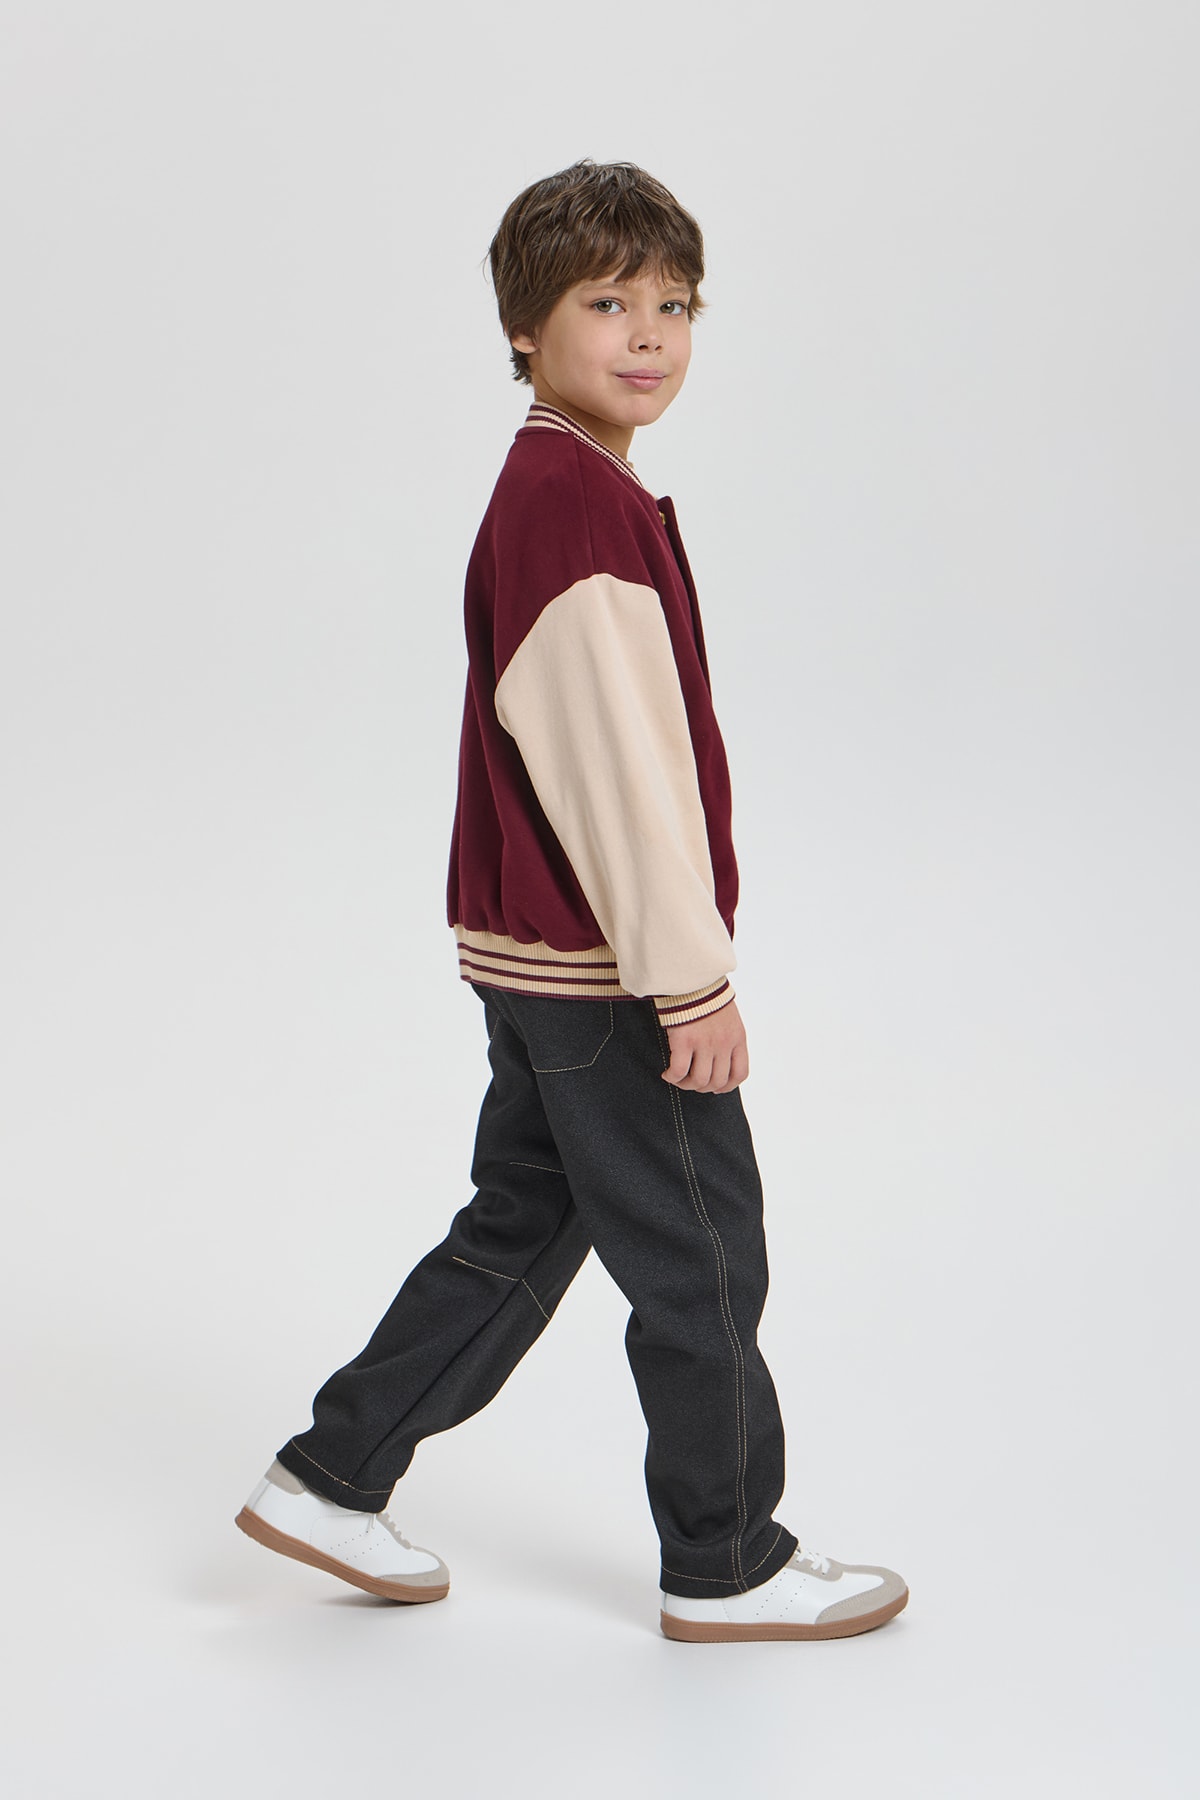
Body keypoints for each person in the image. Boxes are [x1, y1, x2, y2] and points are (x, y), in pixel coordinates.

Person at [235, 158, 908, 1643]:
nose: (650, 333)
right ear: (525, 329)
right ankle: (726, 1559)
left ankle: (333, 1476)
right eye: (608, 302)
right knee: (703, 1252)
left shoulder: (572, 487)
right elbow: (615, 777)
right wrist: (690, 979)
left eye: (676, 304)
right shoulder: (571, 507)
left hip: (540, 955)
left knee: (526, 1225)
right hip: (607, 968)